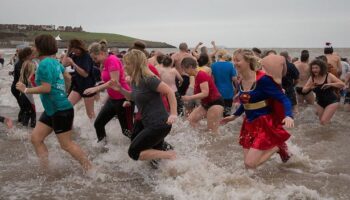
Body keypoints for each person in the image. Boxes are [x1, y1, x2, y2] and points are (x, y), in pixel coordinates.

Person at [16, 34, 92, 172]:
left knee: (66, 145)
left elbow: (47, 88)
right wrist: (63, 92)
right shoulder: (54, 62)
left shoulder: (45, 64)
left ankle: (91, 169)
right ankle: (46, 169)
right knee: (36, 138)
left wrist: (26, 89)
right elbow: (66, 75)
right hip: (53, 109)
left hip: (60, 110)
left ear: (40, 48)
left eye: (34, 45)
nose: (33, 48)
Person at [221, 49, 294, 169]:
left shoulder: (263, 80)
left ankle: (277, 146)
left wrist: (288, 115)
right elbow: (246, 102)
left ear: (248, 61)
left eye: (238, 60)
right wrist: (234, 116)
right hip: (249, 124)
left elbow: (283, 98)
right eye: (233, 60)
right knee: (248, 167)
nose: (234, 63)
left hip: (264, 123)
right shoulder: (241, 80)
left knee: (249, 164)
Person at [111, 49, 177, 161]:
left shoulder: (149, 79)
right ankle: (171, 169)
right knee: (155, 160)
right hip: (148, 122)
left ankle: (170, 155)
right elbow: (133, 97)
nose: (124, 67)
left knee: (134, 152)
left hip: (159, 124)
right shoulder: (135, 80)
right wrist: (120, 89)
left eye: (127, 64)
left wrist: (173, 114)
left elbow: (169, 91)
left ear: (135, 64)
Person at [84, 42, 133, 146]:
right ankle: (104, 149)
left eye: (94, 58)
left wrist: (96, 89)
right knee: (98, 124)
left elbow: (113, 81)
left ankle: (145, 149)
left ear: (101, 53)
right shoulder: (105, 63)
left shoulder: (112, 60)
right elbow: (107, 81)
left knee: (127, 131)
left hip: (123, 98)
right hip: (113, 99)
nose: (93, 60)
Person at [181, 57, 224, 134]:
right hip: (206, 104)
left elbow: (205, 93)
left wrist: (189, 97)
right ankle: (200, 137)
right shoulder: (196, 76)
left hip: (215, 103)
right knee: (190, 121)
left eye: (184, 69)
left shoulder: (201, 75)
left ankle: (215, 143)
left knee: (212, 132)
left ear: (190, 67)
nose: (184, 72)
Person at [302, 59, 345, 125]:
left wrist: (330, 84)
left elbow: (342, 84)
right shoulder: (312, 78)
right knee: (322, 123)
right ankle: (330, 133)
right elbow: (303, 90)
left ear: (321, 68)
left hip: (332, 101)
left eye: (316, 68)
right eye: (313, 68)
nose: (314, 70)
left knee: (323, 121)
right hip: (320, 102)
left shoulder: (328, 75)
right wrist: (310, 87)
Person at [62, 39, 96, 119]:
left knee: (90, 114)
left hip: (88, 87)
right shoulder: (74, 55)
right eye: (73, 50)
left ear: (80, 47)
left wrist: (73, 63)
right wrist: (68, 51)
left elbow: (85, 74)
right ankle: (69, 127)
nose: (76, 52)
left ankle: (94, 129)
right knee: (66, 107)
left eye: (76, 49)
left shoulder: (86, 56)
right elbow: (63, 64)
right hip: (77, 86)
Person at [211, 50, 238, 116]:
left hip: (217, 93)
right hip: (228, 93)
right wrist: (237, 89)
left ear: (218, 56)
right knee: (227, 114)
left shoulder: (213, 65)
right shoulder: (230, 65)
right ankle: (225, 126)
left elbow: (212, 80)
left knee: (217, 114)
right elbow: (234, 79)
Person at [11, 47, 33, 123]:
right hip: (18, 88)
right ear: (27, 55)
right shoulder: (21, 64)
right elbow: (24, 78)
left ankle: (20, 123)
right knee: (26, 108)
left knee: (24, 108)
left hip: (19, 87)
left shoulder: (23, 63)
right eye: (31, 54)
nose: (33, 56)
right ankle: (22, 125)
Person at [19, 60, 37, 127]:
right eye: (34, 68)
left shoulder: (22, 75)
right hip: (28, 98)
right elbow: (35, 86)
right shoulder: (31, 76)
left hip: (22, 96)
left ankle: (23, 130)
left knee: (26, 113)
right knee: (33, 114)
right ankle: (32, 131)